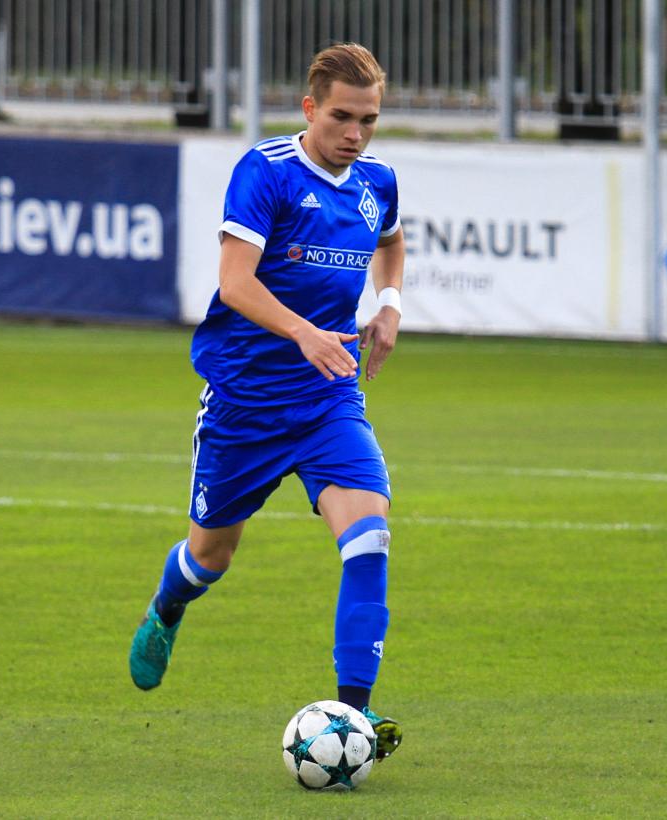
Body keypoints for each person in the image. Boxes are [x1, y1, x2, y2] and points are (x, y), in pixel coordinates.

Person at [128, 42, 405, 761]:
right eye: (341, 117)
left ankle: (354, 720)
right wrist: (304, 331)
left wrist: (390, 305)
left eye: (369, 120)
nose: (355, 134)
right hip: (244, 404)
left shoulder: (377, 181)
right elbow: (236, 283)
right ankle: (167, 607)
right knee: (209, 558)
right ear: (310, 109)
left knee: (369, 538)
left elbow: (391, 242)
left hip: (327, 398)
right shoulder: (267, 172)